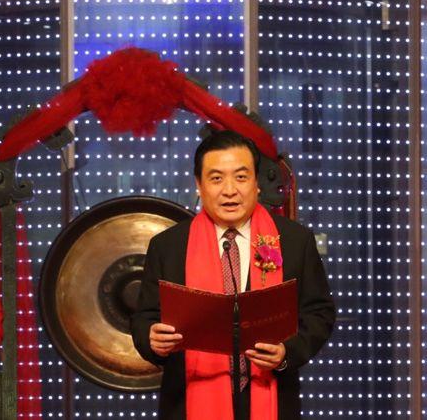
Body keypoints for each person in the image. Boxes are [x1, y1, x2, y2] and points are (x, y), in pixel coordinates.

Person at [130, 130, 335, 420]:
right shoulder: (168, 246)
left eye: (241, 177)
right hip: (190, 401)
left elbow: (319, 313)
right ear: (199, 185)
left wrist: (286, 352)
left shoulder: (294, 241)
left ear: (256, 183)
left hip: (272, 396)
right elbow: (144, 318)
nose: (229, 190)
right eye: (216, 178)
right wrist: (151, 338)